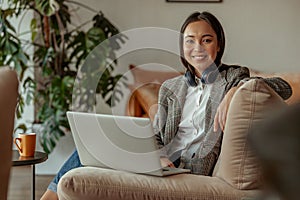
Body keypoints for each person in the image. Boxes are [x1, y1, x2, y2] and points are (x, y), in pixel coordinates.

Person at [41, 11, 292, 200]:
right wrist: (158, 157)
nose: (198, 48)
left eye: (206, 40)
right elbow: (160, 136)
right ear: (182, 47)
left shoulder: (234, 77)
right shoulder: (171, 88)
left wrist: (237, 89)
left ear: (219, 45)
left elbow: (283, 87)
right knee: (92, 146)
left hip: (191, 169)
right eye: (190, 41)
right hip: (163, 165)